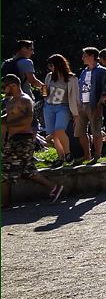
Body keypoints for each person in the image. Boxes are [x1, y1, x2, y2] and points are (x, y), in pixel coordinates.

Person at [1, 74, 63, 207]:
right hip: (14, 138)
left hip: (23, 139)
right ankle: (54, 188)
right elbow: (10, 116)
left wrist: (9, 122)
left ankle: (5, 204)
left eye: (4, 87)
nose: (3, 90)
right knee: (26, 171)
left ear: (13, 85)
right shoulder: (11, 101)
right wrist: (3, 118)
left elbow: (27, 120)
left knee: (6, 169)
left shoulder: (25, 100)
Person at [42, 54, 80, 168]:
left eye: (51, 65)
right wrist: (43, 90)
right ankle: (61, 157)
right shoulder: (49, 76)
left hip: (63, 107)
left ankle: (68, 153)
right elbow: (45, 92)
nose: (50, 68)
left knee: (59, 130)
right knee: (53, 134)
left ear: (58, 64)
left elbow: (75, 97)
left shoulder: (71, 78)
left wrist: (76, 113)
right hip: (49, 106)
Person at [75, 47, 106, 165]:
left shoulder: (102, 71)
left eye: (85, 55)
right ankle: (86, 155)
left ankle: (97, 156)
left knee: (96, 131)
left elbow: (105, 88)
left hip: (94, 104)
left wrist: (100, 105)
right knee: (80, 131)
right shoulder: (84, 72)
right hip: (83, 104)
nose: (82, 58)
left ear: (92, 56)